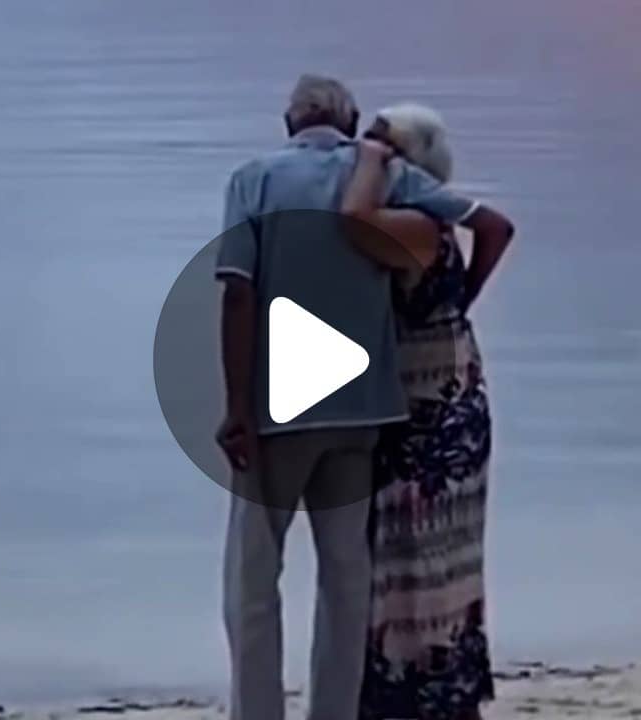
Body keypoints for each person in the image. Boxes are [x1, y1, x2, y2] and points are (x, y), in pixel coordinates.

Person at [215, 77, 514, 720]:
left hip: (278, 410)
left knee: (254, 576)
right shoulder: (386, 181)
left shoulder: (252, 180)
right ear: (349, 121)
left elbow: (238, 293)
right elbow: (484, 222)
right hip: (365, 412)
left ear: (288, 122)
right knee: (347, 578)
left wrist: (237, 408)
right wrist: (460, 305)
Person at [340, 103, 511, 720]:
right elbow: (493, 229)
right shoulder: (427, 225)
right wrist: (462, 300)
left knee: (421, 559)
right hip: (434, 400)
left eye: (384, 146)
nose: (366, 153)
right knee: (416, 556)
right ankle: (421, 692)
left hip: (434, 416)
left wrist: (369, 160)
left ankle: (421, 694)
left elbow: (353, 217)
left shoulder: (413, 226)